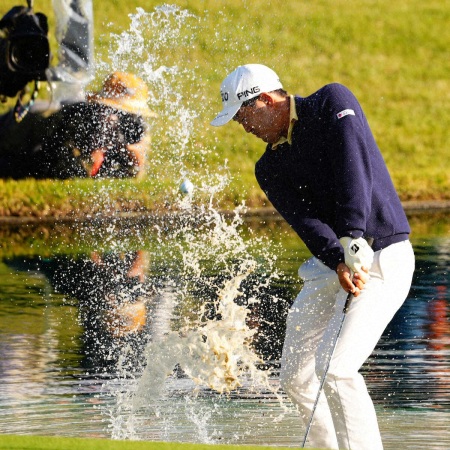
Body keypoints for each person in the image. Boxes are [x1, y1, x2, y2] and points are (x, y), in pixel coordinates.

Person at [211, 64, 415, 449]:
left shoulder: (332, 103)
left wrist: (353, 237)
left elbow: (354, 167)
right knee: (297, 376)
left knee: (335, 370)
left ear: (267, 100)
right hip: (333, 265)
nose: (243, 126)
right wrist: (338, 259)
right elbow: (307, 222)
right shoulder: (268, 166)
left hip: (383, 256)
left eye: (243, 115)